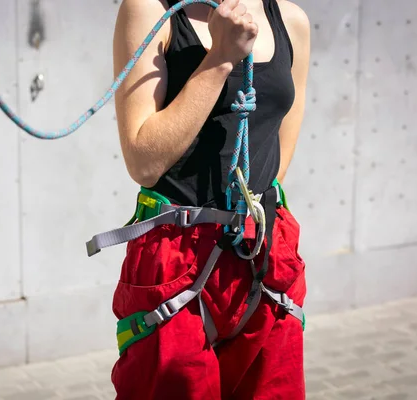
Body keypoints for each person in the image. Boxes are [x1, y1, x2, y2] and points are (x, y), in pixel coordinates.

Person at [110, 0, 310, 398]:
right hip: (177, 257)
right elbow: (143, 161)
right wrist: (219, 58)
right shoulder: (151, 11)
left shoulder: (291, 20)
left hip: (265, 252)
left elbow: (279, 157)